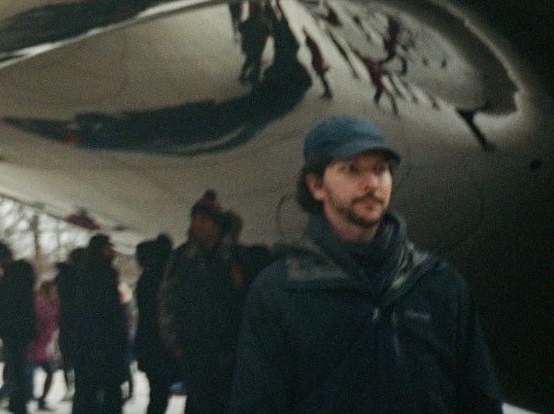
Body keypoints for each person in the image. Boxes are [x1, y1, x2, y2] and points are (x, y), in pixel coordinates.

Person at [231, 116, 502, 414]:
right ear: (317, 185)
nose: (371, 183)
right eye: (350, 169)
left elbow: (480, 402)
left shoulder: (438, 284)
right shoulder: (280, 292)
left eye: (380, 169)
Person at [161, 193, 243, 414]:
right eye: (194, 219)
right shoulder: (182, 257)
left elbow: (243, 302)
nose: (196, 224)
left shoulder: (234, 256)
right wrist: (174, 343)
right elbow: (166, 299)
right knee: (197, 404)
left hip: (227, 350)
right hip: (192, 349)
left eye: (203, 220)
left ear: (217, 225)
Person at [66, 235, 129, 414]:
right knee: (110, 390)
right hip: (104, 343)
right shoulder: (104, 274)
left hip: (87, 343)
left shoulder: (82, 274)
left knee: (87, 391)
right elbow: (107, 312)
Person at [0, 245, 38, 414]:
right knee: (19, 367)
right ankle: (18, 401)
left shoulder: (6, 279)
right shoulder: (25, 274)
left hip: (11, 330)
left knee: (14, 367)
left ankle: (16, 402)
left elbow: (2, 305)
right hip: (23, 329)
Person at [134, 238, 177, 414]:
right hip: (160, 344)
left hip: (148, 344)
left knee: (157, 394)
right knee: (159, 395)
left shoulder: (145, 280)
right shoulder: (162, 279)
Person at [29, 279, 62, 412]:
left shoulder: (52, 303)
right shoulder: (39, 302)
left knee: (50, 372)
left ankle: (41, 400)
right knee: (24, 375)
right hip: (35, 344)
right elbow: (43, 317)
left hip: (43, 345)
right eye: (53, 289)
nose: (55, 292)